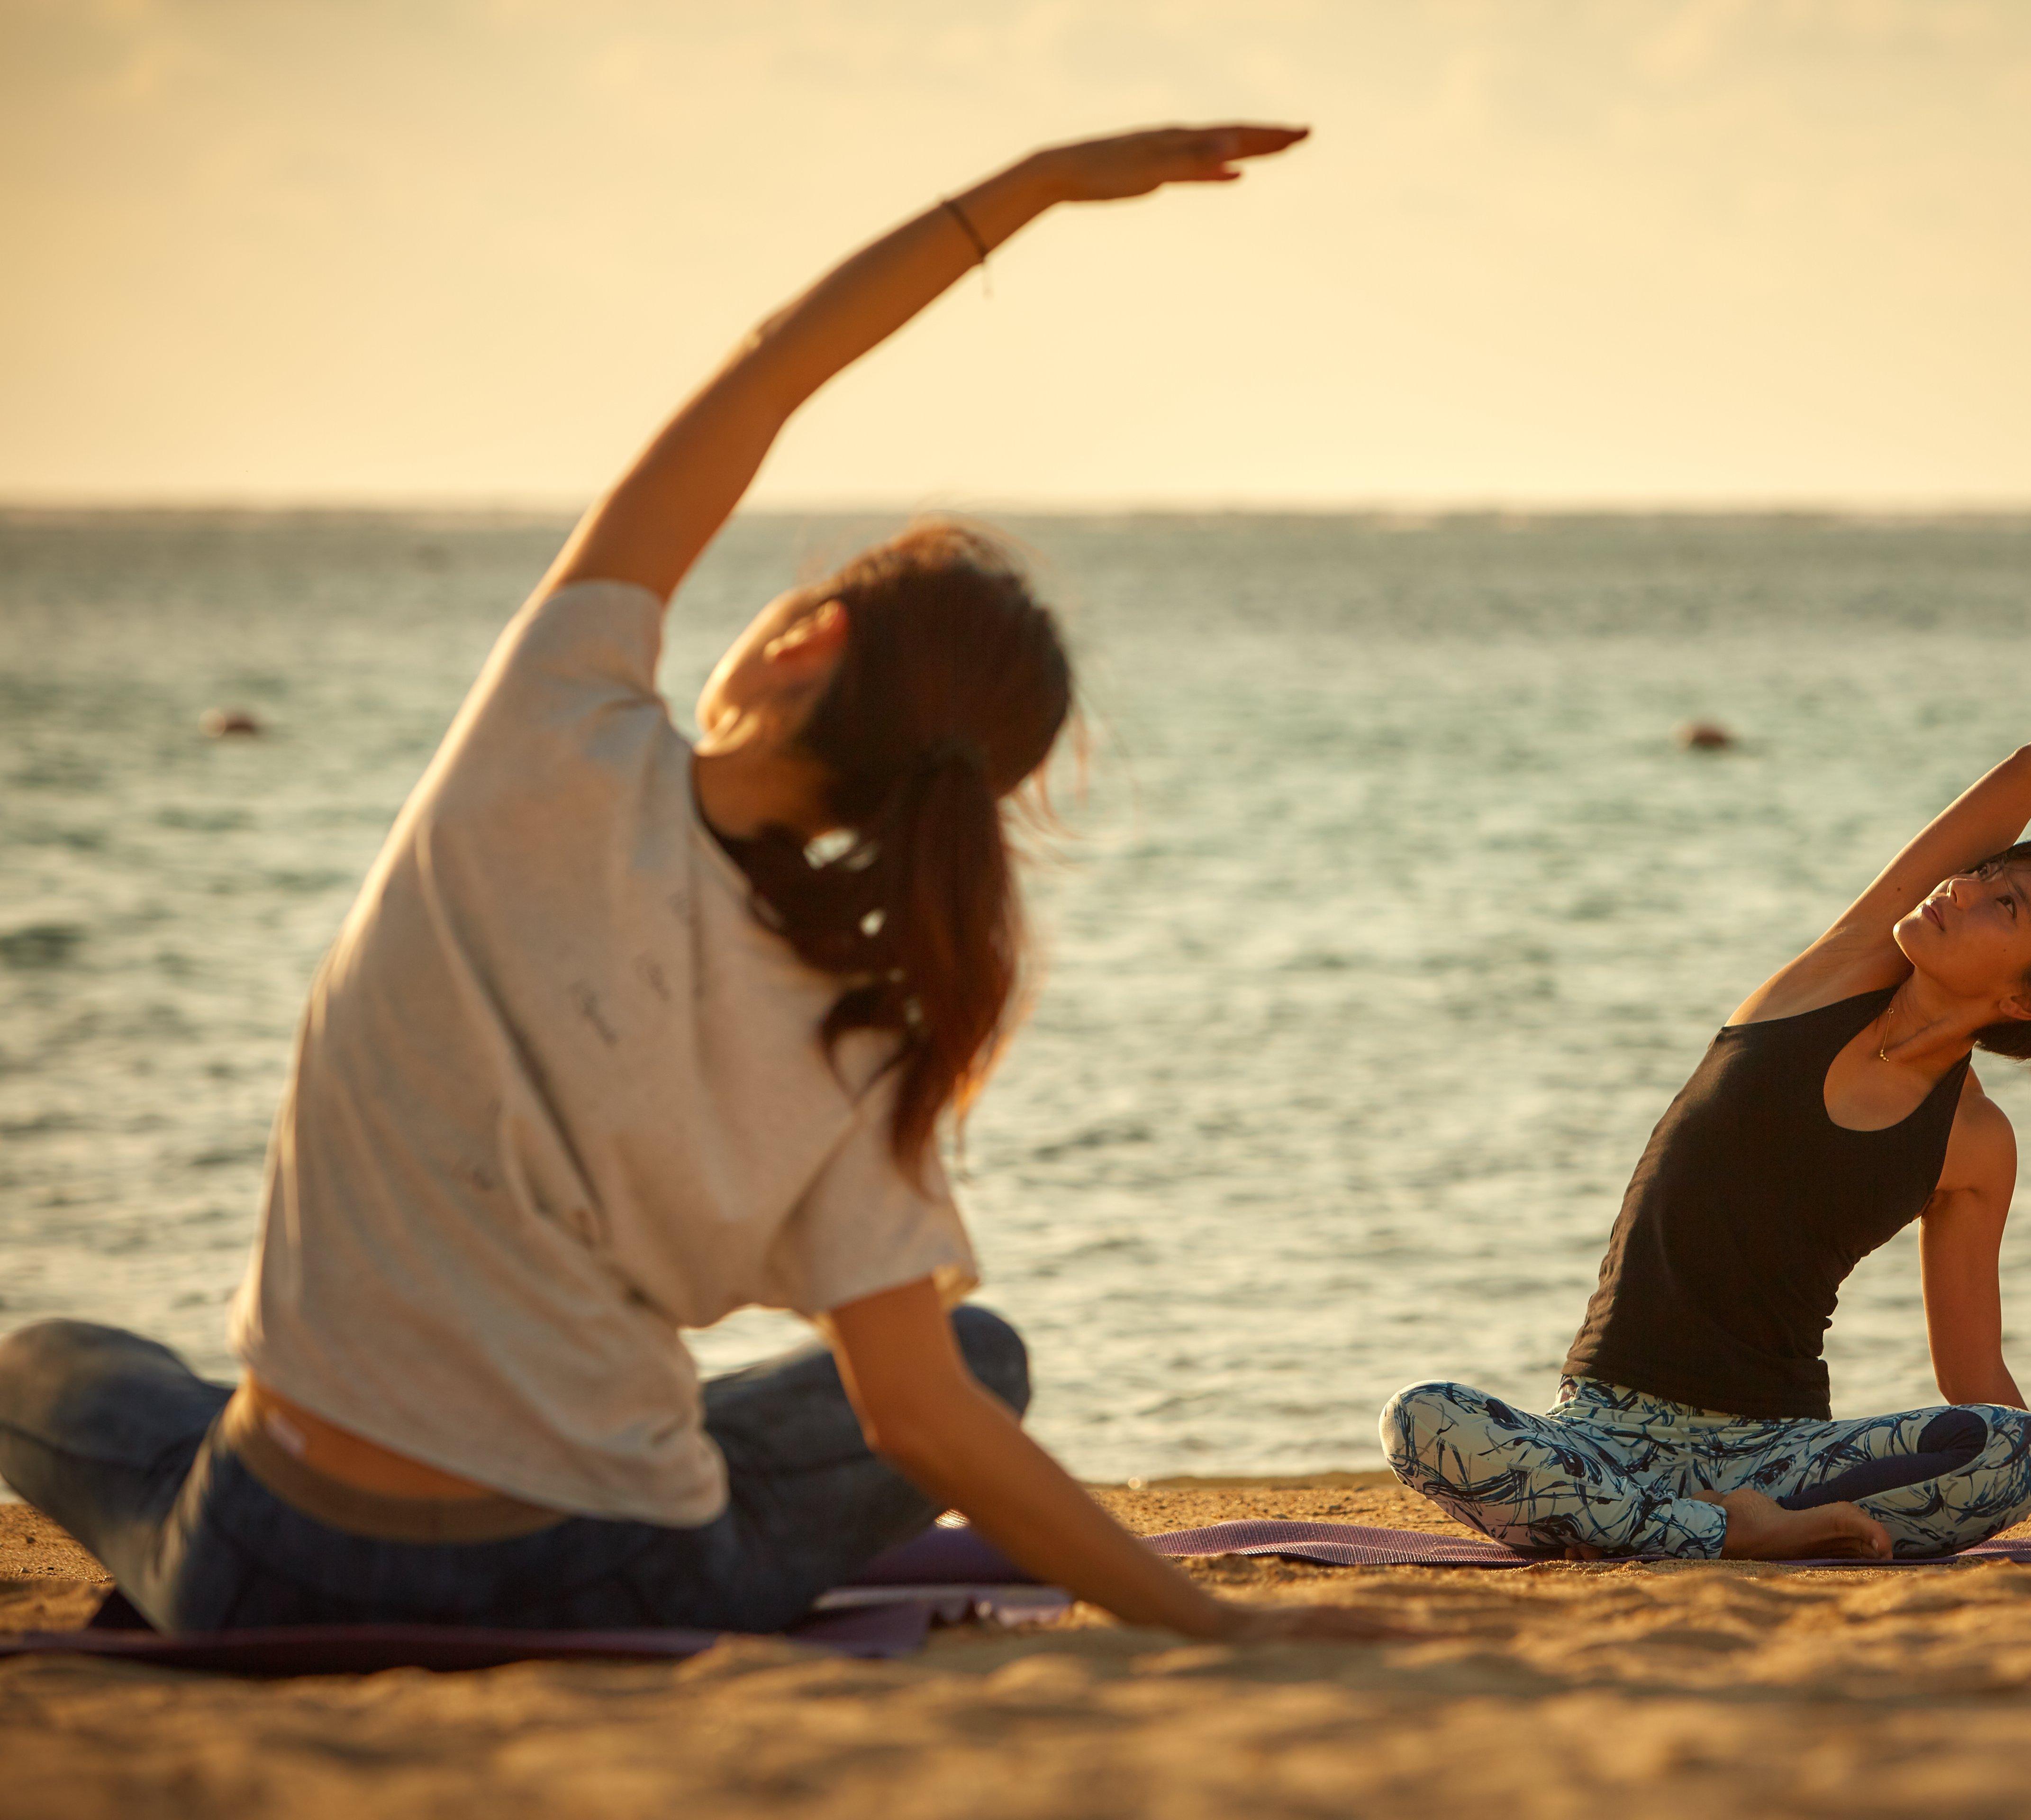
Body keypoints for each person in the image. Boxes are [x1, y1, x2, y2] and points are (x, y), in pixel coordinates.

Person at [0, 124, 1397, 1644]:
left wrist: (1032, 189)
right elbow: (924, 1424)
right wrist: (1224, 1631)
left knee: (49, 1370)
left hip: (271, 1568)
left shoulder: (548, 740)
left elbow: (768, 372)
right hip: (610, 1573)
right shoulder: (865, 1021)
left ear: (809, 645)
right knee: (968, 1360)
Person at [1382, 667, 2031, 1560]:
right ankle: (1729, 1537)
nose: (1960, 887)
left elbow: (1974, 1370)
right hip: (1600, 1425)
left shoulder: (1973, 1143)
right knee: (1423, 1420)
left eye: (2005, 908)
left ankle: (1691, 1527)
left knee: (2015, 1453)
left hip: (1778, 1451)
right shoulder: (1833, 976)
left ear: (2028, 1002)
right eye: (1982, 875)